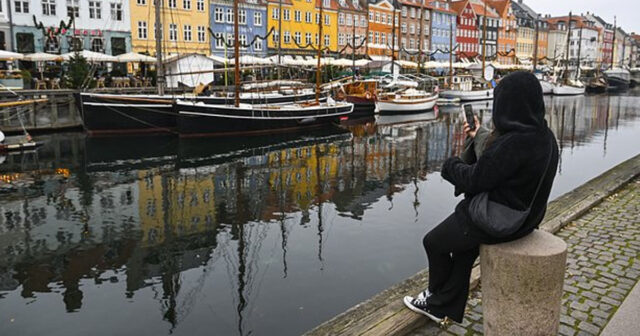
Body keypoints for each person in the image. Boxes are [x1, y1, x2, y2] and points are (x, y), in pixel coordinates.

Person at [402, 71, 560, 325]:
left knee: (434, 242)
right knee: (464, 254)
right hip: (528, 218)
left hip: (499, 220)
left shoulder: (513, 143)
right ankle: (446, 306)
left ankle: (433, 299)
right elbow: (503, 166)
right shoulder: (544, 136)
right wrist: (480, 134)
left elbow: (475, 179)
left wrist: (450, 165)